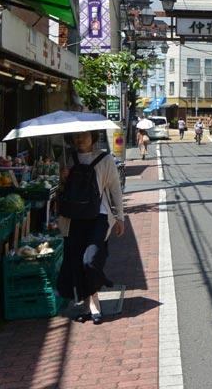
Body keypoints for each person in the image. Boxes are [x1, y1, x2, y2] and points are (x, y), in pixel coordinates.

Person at [56, 130, 126, 324]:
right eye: (76, 136)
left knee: (91, 259)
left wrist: (120, 217)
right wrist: (63, 177)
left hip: (99, 216)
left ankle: (96, 292)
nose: (79, 139)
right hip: (73, 218)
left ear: (93, 138)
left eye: (84, 135)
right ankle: (89, 304)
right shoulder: (67, 158)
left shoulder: (105, 159)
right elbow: (61, 190)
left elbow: (114, 189)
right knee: (77, 262)